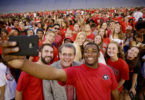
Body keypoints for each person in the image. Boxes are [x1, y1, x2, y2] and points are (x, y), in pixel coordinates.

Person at [2, 40, 119, 100]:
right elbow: (51, 73)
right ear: (83, 54)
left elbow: (114, 91)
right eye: (87, 51)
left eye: (94, 51)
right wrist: (24, 64)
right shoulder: (77, 71)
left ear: (99, 54)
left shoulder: (107, 70)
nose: (90, 54)